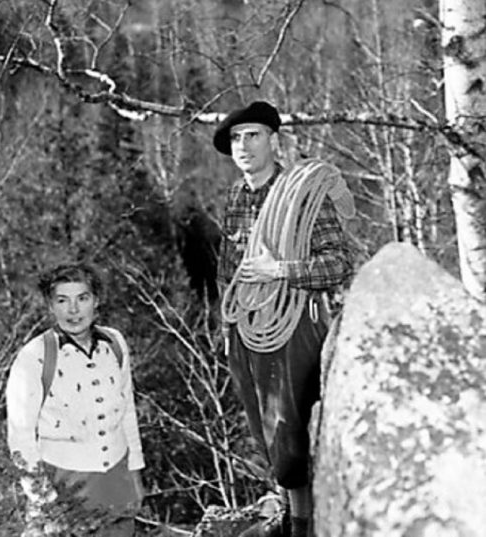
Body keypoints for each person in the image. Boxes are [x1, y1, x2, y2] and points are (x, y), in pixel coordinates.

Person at [213, 101, 354, 537]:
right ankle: (291, 517)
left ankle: (306, 525)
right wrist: (226, 324)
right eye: (237, 138)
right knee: (263, 432)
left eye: (252, 135)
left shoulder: (303, 197)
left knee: (292, 433)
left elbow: (339, 265)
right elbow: (227, 268)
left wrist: (280, 271)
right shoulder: (235, 197)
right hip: (246, 331)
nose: (243, 145)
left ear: (274, 140)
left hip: (293, 328)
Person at [6, 262, 145, 537]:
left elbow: (127, 410)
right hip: (63, 488)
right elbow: (20, 437)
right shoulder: (34, 357)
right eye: (62, 300)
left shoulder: (114, 344)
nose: (73, 310)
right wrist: (44, 502)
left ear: (96, 301)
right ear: (50, 306)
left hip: (116, 484)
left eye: (82, 298)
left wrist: (136, 473)